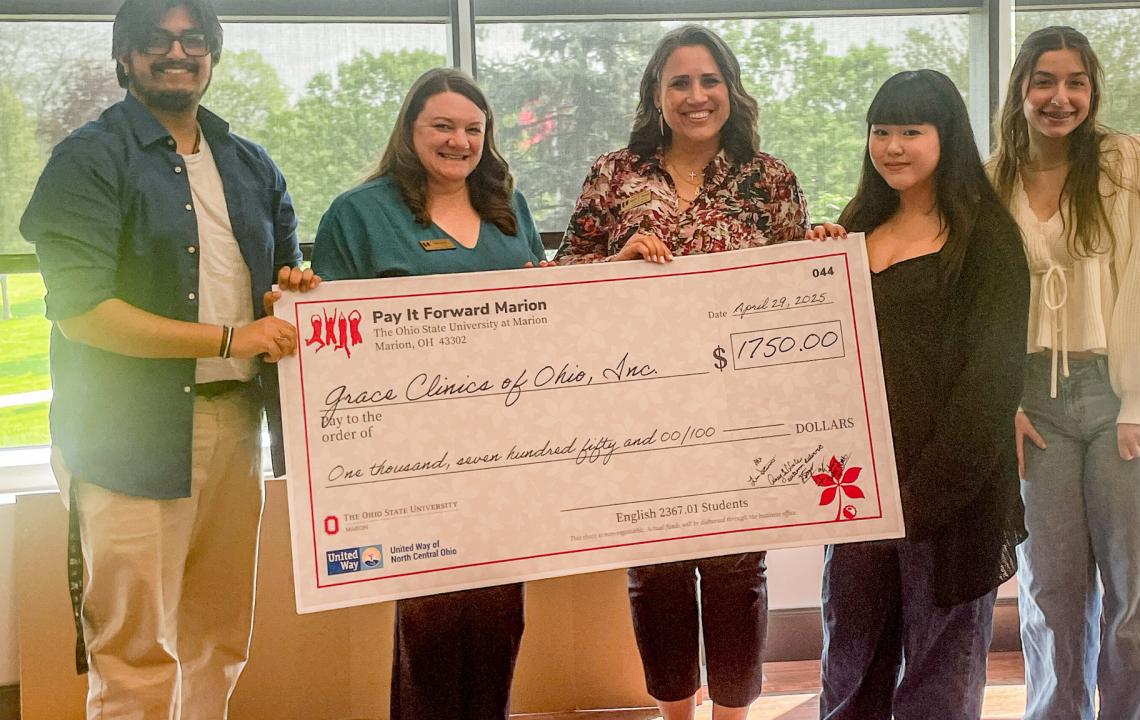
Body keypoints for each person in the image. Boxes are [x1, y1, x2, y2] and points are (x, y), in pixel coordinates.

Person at [19, 1, 317, 718]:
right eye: (156, 41)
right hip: (128, 436)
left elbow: (281, 275)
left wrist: (293, 288)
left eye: (194, 41)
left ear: (212, 56)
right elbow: (84, 313)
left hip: (238, 427)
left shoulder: (250, 164)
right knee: (135, 654)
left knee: (217, 639)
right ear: (124, 57)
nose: (177, 53)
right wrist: (228, 338)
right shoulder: (87, 159)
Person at [555, 24, 812, 720]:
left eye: (709, 80)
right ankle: (675, 714)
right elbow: (563, 280)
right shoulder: (615, 173)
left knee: (736, 572)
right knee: (657, 573)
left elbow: (803, 296)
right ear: (656, 95)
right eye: (680, 82)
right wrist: (616, 265)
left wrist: (822, 252)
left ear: (730, 89)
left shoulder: (772, 179)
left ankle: (733, 714)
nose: (696, 96)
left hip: (741, 409)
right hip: (640, 409)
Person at [310, 67, 547, 720]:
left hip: (506, 450)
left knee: (500, 620)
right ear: (409, 131)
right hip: (410, 460)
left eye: (473, 129)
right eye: (441, 125)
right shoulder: (358, 214)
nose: (458, 141)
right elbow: (328, 339)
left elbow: (549, 310)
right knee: (432, 626)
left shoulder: (508, 208)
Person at [817, 70, 1029, 720]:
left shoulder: (987, 240)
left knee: (937, 683)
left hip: (950, 498)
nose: (894, 146)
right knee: (851, 670)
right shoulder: (856, 225)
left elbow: (989, 389)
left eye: (913, 130)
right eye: (882, 131)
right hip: (858, 493)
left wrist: (920, 497)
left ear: (948, 138)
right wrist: (813, 269)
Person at [990, 26, 1140, 720]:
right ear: (1019, 89)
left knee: (1136, 589)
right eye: (1043, 80)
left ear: (1093, 91)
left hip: (1122, 395)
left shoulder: (1128, 162)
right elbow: (984, 300)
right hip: (1033, 401)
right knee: (1052, 591)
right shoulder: (994, 176)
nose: (1059, 97)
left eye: (1075, 82)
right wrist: (1002, 400)